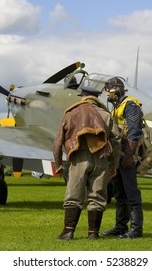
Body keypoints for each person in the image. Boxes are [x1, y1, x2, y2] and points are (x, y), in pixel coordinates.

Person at [53, 86, 121, 240]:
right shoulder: (106, 114)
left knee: (74, 195)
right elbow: (116, 141)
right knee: (97, 196)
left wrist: (58, 163)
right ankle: (93, 233)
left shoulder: (71, 113)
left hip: (79, 158)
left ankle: (68, 231)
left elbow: (58, 141)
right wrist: (113, 165)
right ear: (96, 97)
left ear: (82, 96)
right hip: (102, 158)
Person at [101, 77, 144, 239]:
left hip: (127, 153)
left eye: (109, 89)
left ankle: (136, 229)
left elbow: (134, 132)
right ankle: (120, 226)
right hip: (118, 154)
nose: (107, 93)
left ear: (117, 89)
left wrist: (129, 156)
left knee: (131, 191)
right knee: (119, 192)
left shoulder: (130, 105)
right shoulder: (116, 107)